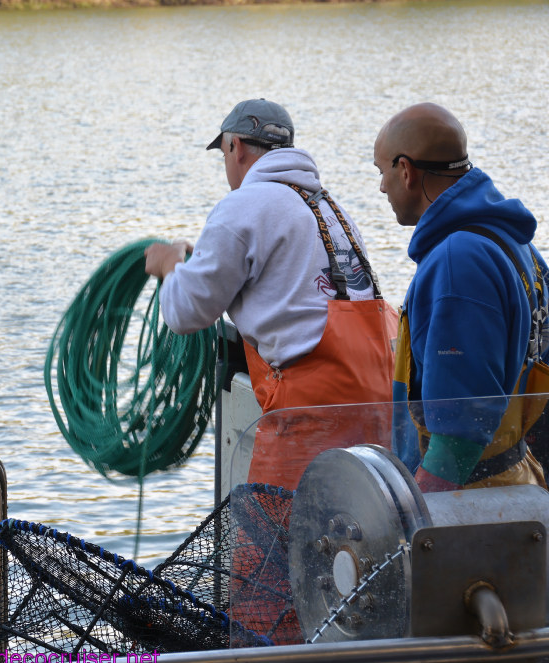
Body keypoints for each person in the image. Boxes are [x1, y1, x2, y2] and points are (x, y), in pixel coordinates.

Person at [145, 98, 398, 491]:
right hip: (378, 402)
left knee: (269, 545)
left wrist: (169, 267)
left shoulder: (243, 205)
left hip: (313, 412)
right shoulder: (331, 208)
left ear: (236, 148)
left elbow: (184, 312)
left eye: (225, 153)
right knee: (356, 540)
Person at [374, 102, 549, 493]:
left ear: (406, 171)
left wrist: (416, 521)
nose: (382, 186)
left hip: (475, 504)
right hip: (520, 482)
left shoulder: (458, 263)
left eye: (382, 171)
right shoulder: (512, 241)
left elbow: (459, 434)